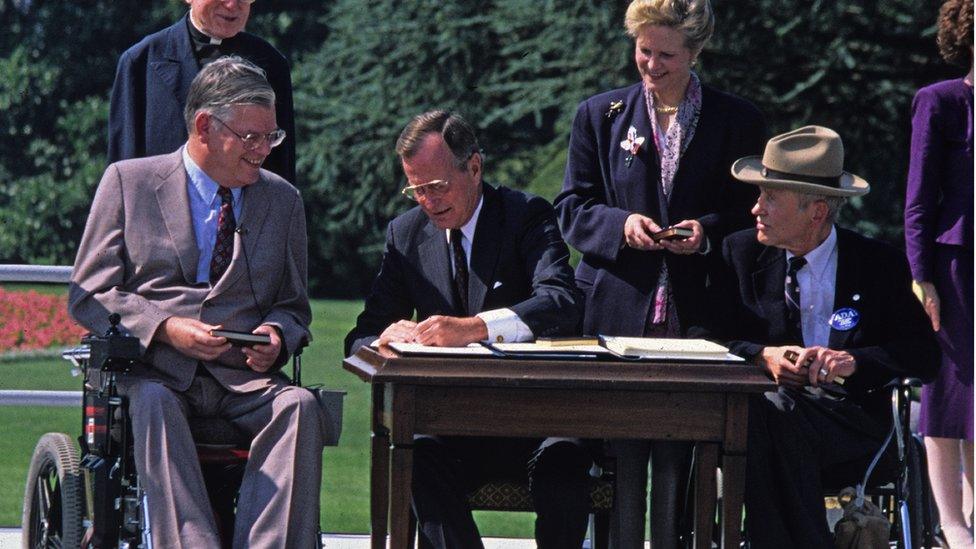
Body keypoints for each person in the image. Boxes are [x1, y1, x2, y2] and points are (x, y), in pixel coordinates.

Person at [69, 56, 321, 548]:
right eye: (250, 137)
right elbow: (89, 292)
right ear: (205, 126)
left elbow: (293, 306)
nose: (263, 150)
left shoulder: (283, 200)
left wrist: (277, 335)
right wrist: (164, 327)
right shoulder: (129, 182)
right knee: (155, 402)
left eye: (271, 137)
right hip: (156, 371)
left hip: (245, 380)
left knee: (301, 406)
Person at [553, 0, 765, 545]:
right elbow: (571, 208)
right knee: (622, 455)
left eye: (666, 55)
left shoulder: (738, 120)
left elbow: (754, 215)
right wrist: (622, 226)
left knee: (679, 460)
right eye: (643, 50)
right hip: (617, 313)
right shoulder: (598, 115)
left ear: (695, 52)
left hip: (699, 319)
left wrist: (709, 232)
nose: (651, 65)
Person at [345, 110, 592, 548]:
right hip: (450, 424)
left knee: (565, 465)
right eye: (416, 189)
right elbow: (360, 337)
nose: (427, 200)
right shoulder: (405, 235)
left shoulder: (525, 215)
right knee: (414, 456)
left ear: (474, 167)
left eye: (437, 186)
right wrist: (385, 338)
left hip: (536, 419)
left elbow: (561, 302)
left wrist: (477, 328)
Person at [696, 125, 940, 548]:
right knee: (771, 412)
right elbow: (702, 333)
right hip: (762, 413)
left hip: (849, 421)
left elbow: (924, 355)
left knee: (768, 422)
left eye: (770, 197)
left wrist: (855, 361)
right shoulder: (739, 253)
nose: (756, 209)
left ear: (816, 211)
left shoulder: (877, 264)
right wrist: (761, 356)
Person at [904, 0, 974, 546]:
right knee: (950, 391)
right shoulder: (942, 101)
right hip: (955, 266)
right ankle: (952, 525)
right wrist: (921, 275)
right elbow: (919, 199)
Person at [109, 0, 296, 184]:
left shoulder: (272, 64)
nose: (232, 5)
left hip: (247, 212)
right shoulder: (140, 62)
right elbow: (123, 170)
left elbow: (282, 170)